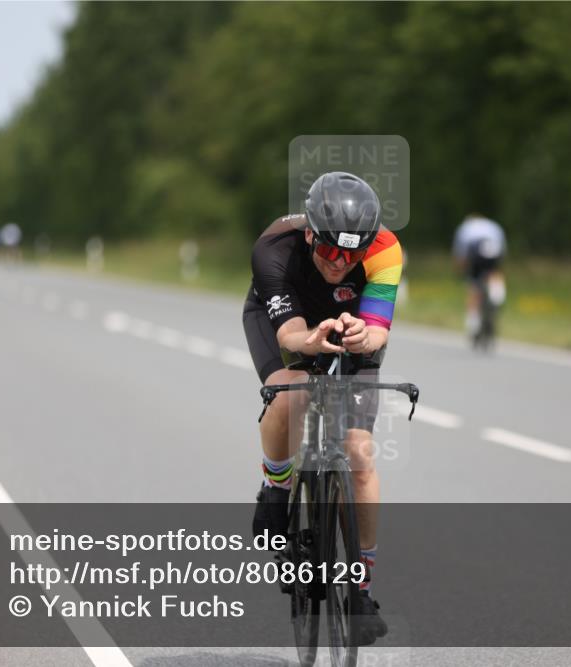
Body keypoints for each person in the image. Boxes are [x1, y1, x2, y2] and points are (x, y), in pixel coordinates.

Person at [242, 171, 402, 645]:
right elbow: (290, 335)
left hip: (351, 328)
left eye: (352, 254)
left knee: (359, 452)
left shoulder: (386, 250)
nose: (340, 262)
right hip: (287, 321)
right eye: (330, 250)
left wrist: (361, 334)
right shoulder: (274, 248)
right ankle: (275, 483)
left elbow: (378, 330)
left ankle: (361, 588)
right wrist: (311, 340)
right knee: (294, 389)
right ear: (310, 232)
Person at [452, 213, 506, 349]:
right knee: (494, 273)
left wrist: (462, 272)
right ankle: (497, 294)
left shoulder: (464, 228)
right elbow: (503, 252)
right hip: (494, 249)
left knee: (474, 288)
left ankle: (473, 323)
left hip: (476, 251)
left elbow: (461, 254)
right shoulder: (493, 225)